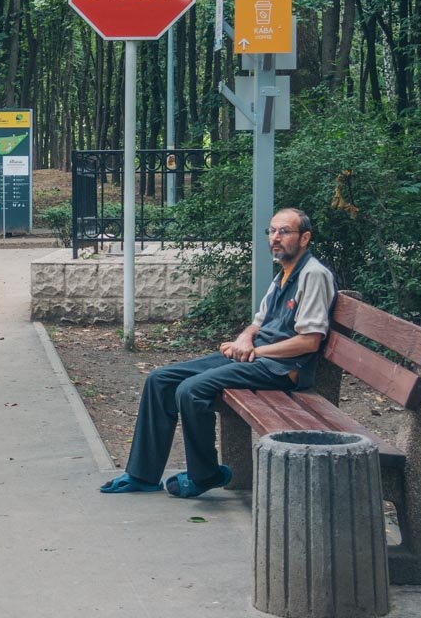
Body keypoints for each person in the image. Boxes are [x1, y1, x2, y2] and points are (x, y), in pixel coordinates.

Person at [100, 208, 336, 498]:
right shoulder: (283, 274)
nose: (275, 238)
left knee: (191, 390)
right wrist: (244, 339)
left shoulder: (313, 275)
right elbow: (258, 322)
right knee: (160, 379)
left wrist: (255, 350)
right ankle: (142, 475)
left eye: (284, 232)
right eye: (272, 231)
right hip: (259, 358)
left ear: (305, 238)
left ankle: (205, 474)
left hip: (282, 369)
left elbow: (309, 342)